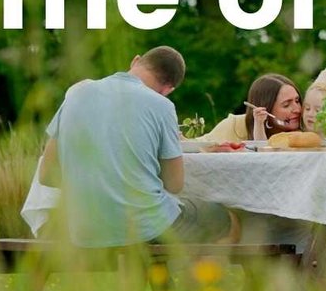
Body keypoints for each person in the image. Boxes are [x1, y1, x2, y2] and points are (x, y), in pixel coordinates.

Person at [40, 46, 236, 246]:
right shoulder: (162, 105)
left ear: (135, 61)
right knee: (224, 218)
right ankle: (206, 277)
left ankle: (161, 277)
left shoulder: (76, 94)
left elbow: (46, 175)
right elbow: (174, 185)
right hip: (144, 229)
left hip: (83, 230)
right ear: (168, 90)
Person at [197, 73, 304, 144]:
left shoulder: (305, 133)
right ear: (265, 108)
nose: (297, 109)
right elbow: (199, 145)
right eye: (286, 105)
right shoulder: (236, 125)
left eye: (297, 101)